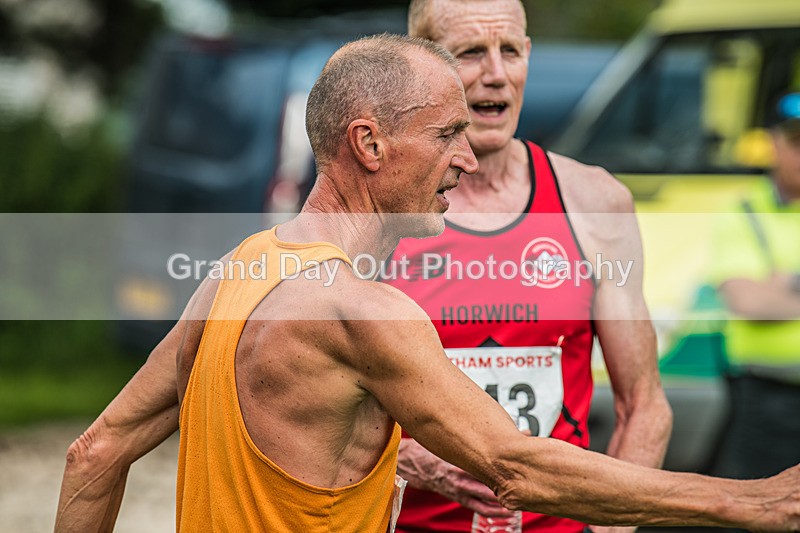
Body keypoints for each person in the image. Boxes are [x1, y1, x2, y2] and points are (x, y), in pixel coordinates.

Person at [54, 34, 800, 533]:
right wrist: (751, 500)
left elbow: (95, 451)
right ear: (370, 144)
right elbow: (518, 467)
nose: (468, 161)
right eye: (447, 135)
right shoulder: (362, 310)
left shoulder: (239, 267)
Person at [386, 2, 672, 532]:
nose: (496, 74)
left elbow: (644, 406)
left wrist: (609, 527)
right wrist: (429, 464)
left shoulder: (595, 201)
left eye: (510, 50)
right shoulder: (379, 212)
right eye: (471, 52)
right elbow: (323, 407)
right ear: (420, 66)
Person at [710, 91, 800, 481]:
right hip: (768, 397)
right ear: (774, 144)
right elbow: (747, 300)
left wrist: (789, 285)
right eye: (797, 142)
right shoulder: (745, 212)